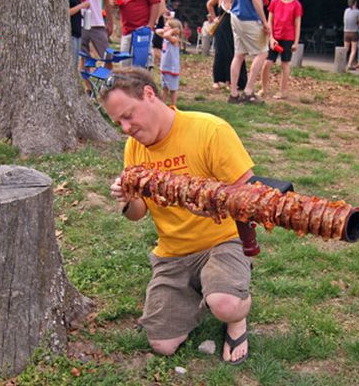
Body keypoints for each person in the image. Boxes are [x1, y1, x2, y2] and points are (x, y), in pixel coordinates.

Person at [103, 66, 256, 365]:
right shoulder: (134, 148)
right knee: (162, 344)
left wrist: (205, 200)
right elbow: (138, 214)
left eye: (128, 115)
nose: (125, 128)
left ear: (149, 94)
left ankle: (235, 315)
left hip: (222, 242)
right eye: (118, 121)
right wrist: (128, 199)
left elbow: (249, 197)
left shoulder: (210, 130)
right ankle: (201, 290)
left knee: (225, 305)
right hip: (173, 254)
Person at [229, 0, 272, 104]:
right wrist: (265, 21)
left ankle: (233, 94)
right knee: (263, 52)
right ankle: (248, 92)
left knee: (239, 54)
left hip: (235, 16)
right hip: (248, 18)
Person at [259, 0, 302, 99]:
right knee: (267, 63)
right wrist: (271, 38)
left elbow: (297, 24)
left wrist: (296, 42)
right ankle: (263, 89)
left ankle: (283, 92)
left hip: (288, 38)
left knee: (285, 64)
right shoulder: (274, 2)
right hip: (274, 37)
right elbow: (269, 21)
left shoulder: (296, 5)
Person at [206, 0, 247, 91]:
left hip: (235, 28)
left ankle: (231, 80)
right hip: (221, 28)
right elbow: (209, 4)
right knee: (220, 53)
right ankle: (217, 79)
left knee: (233, 53)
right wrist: (214, 18)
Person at [67, 0, 89, 70]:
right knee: (71, 63)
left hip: (77, 31)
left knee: (76, 62)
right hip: (69, 32)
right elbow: (67, 12)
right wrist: (81, 5)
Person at [156, 18, 182, 106]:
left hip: (172, 68)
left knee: (173, 89)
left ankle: (173, 105)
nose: (164, 27)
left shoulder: (174, 39)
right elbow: (157, 31)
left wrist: (172, 31)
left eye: (166, 26)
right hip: (164, 67)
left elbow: (167, 36)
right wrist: (167, 30)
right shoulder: (165, 36)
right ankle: (162, 104)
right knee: (164, 87)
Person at [342, 0, 359, 71]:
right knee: (353, 50)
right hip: (354, 32)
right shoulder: (358, 12)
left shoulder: (346, 10)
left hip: (346, 31)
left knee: (345, 49)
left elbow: (344, 21)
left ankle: (342, 63)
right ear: (355, 2)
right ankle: (349, 64)